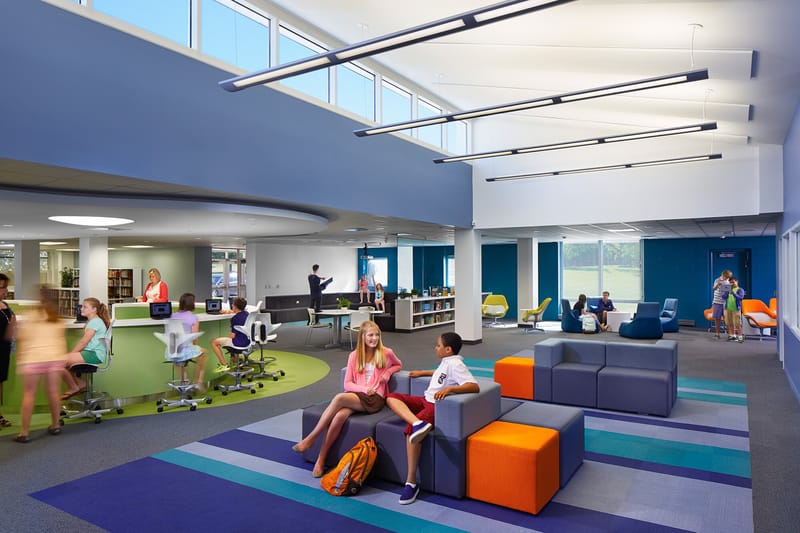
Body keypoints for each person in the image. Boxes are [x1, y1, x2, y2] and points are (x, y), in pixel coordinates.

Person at [292, 320, 401, 477]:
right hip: (359, 395)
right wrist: (363, 388)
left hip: (375, 398)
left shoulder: (386, 352)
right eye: (371, 335)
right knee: (339, 416)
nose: (375, 338)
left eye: (377, 335)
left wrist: (387, 373)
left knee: (338, 398)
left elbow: (398, 364)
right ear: (362, 337)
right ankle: (321, 460)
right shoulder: (354, 356)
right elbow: (348, 383)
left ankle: (311, 438)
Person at [385, 332, 478, 505]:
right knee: (391, 397)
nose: (435, 348)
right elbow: (440, 373)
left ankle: (411, 482)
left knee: (409, 434)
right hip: (424, 400)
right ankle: (417, 423)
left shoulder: (456, 364)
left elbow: (473, 386)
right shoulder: (447, 361)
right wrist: (423, 373)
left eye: (438, 345)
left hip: (435, 405)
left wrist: (450, 390)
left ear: (448, 350)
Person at [13, 288, 67, 442]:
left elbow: (22, 337)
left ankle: (24, 433)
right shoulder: (58, 318)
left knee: (29, 395)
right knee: (54, 393)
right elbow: (60, 340)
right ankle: (56, 425)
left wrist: (20, 357)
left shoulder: (31, 315)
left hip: (33, 358)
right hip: (55, 358)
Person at [62, 297, 111, 399]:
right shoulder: (95, 321)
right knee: (63, 362)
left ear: (94, 309)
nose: (81, 309)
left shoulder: (95, 322)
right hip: (93, 353)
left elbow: (84, 341)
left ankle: (74, 386)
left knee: (59, 361)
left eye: (85, 307)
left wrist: (72, 354)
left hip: (94, 354)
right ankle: (79, 384)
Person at [170, 293, 209, 389]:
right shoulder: (193, 318)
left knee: (179, 358)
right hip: (186, 349)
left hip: (172, 350)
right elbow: (194, 337)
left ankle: (185, 382)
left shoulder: (172, 316)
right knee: (204, 353)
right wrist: (195, 347)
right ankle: (198, 382)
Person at [210, 296, 249, 373]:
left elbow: (232, 336)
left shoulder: (235, 318)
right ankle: (236, 360)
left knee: (214, 342)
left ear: (234, 306)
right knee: (229, 341)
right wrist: (228, 311)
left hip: (238, 343)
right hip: (247, 341)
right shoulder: (247, 314)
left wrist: (226, 340)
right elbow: (237, 312)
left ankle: (224, 365)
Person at [0, 273, 17, 429]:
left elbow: (11, 326)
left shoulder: (5, 305)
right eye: (2, 287)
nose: (5, 290)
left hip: (3, 350)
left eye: (5, 287)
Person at [711, 269, 732, 339]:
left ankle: (730, 334)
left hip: (725, 303)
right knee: (717, 319)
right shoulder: (717, 280)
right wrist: (718, 284)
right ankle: (717, 334)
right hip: (717, 302)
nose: (726, 278)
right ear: (723, 275)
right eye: (726, 277)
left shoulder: (728, 282)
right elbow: (713, 288)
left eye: (728, 277)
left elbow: (727, 294)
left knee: (727, 319)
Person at [724, 277, 745, 342]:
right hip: (728, 309)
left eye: (733, 282)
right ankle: (732, 336)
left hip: (736, 309)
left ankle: (740, 337)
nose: (732, 283)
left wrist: (734, 293)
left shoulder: (740, 289)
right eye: (730, 282)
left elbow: (740, 298)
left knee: (737, 324)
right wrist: (725, 292)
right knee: (729, 323)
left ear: (737, 282)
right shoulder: (728, 289)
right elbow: (723, 297)